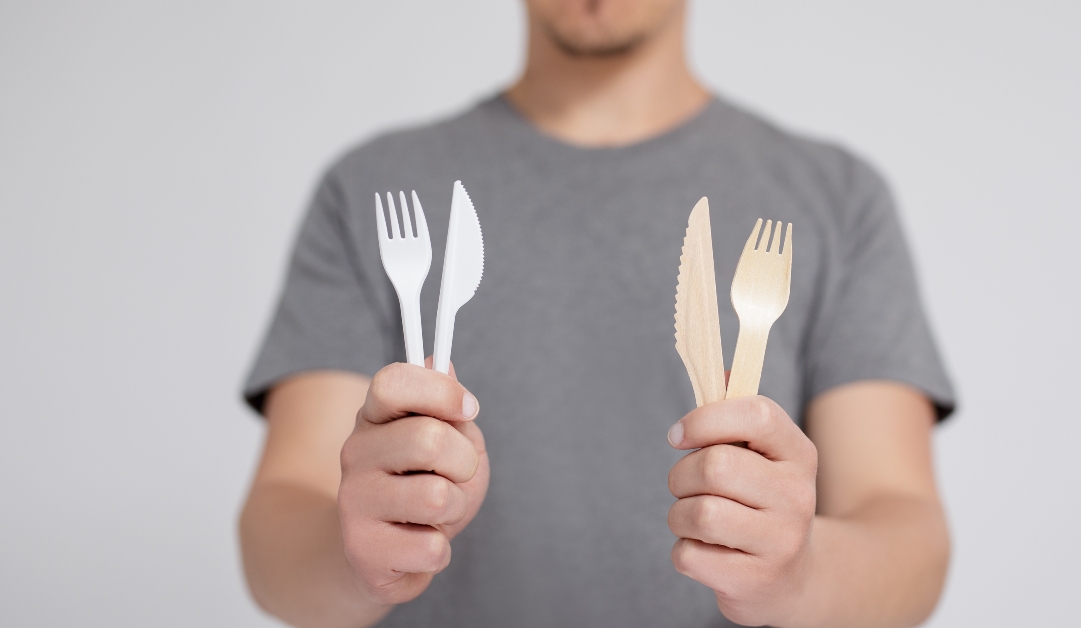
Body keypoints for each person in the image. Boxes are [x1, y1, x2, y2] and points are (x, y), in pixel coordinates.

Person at [238, 1, 956, 626]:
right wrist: (356, 555)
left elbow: (908, 537)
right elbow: (279, 528)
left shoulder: (837, 196)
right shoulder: (368, 187)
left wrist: (798, 574)